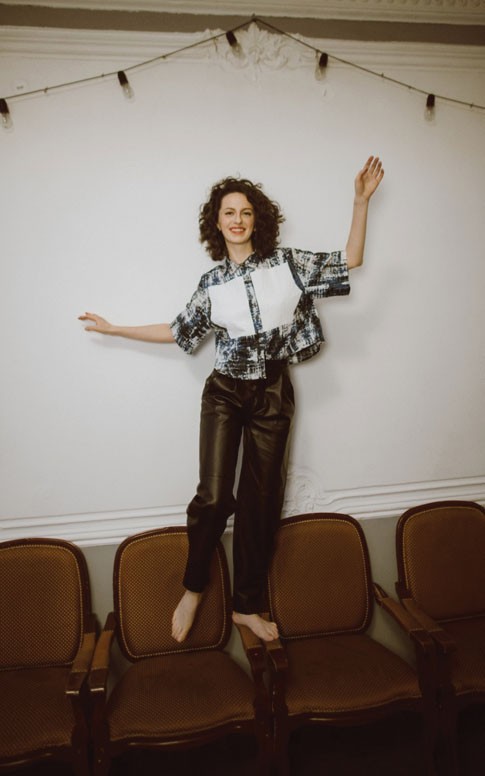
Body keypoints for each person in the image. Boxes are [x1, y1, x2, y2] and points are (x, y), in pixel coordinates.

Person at [79, 156, 384, 643]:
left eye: (245, 212)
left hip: (273, 394)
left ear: (256, 220)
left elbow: (351, 259)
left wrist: (360, 202)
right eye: (228, 213)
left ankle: (245, 606)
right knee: (215, 497)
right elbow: (178, 331)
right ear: (217, 223)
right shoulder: (211, 284)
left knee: (262, 503)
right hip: (224, 392)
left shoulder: (287, 264)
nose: (237, 219)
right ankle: (194, 586)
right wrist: (115, 329)